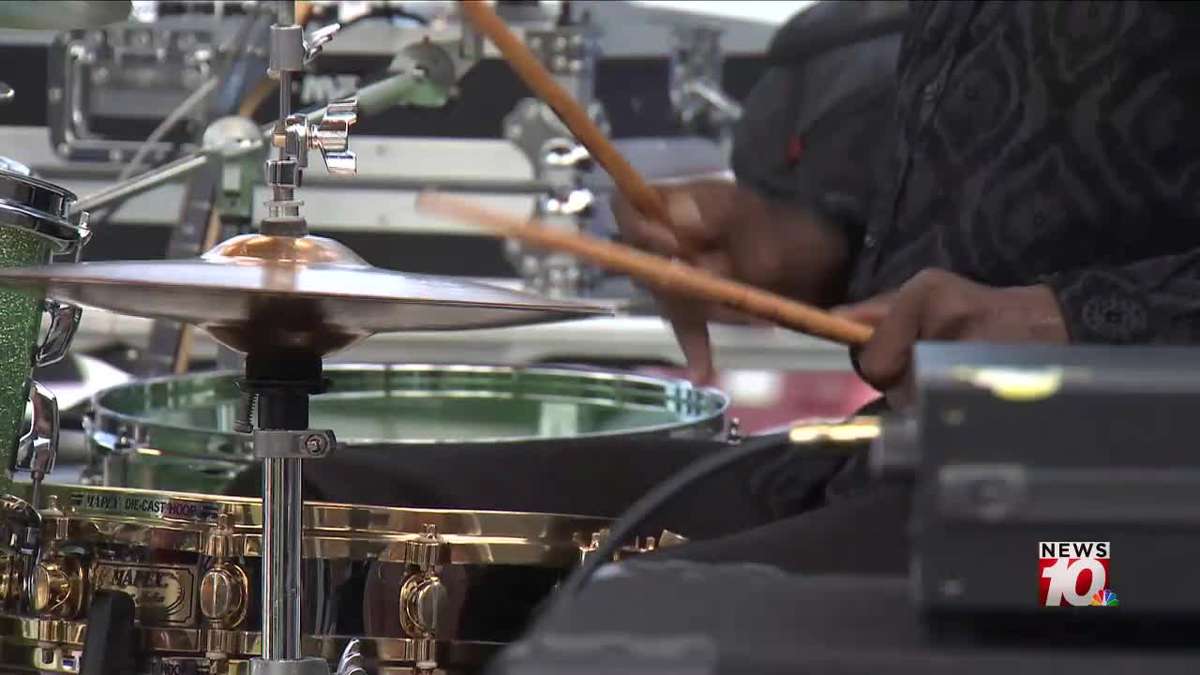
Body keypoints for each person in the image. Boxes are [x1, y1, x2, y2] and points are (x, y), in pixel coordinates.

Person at [612, 0, 1200, 572]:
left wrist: (1068, 321)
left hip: (1106, 518)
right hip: (906, 459)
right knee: (568, 516)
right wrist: (804, 245)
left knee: (622, 605)